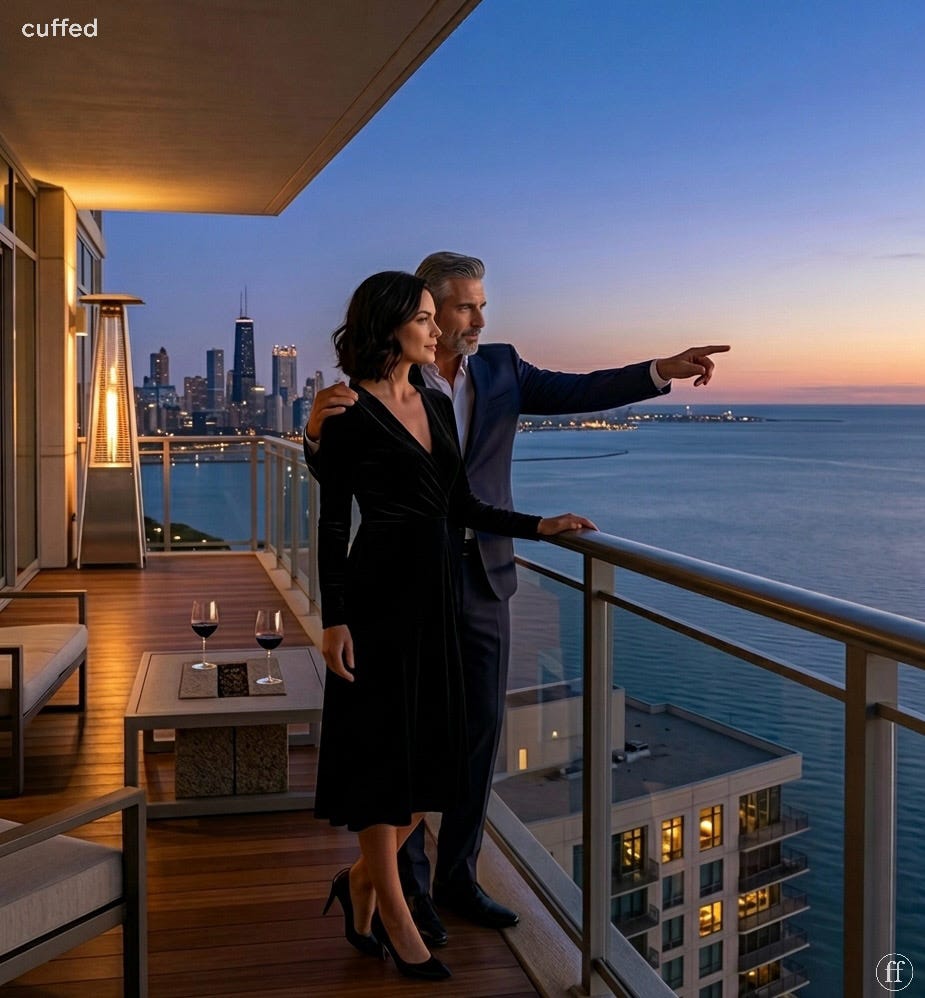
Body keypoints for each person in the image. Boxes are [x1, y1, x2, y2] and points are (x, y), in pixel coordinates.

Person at [305, 252, 730, 946]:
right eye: (463, 306)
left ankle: (457, 876)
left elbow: (580, 389)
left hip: (483, 576)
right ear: (424, 309)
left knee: (472, 736)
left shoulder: (499, 368)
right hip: (404, 582)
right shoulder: (371, 390)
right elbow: (339, 477)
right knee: (402, 741)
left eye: (481, 306)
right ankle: (400, 887)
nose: (477, 318)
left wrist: (661, 369)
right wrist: (313, 437)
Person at [313, 270, 596, 981]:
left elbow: (461, 505)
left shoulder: (434, 407)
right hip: (377, 596)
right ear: (389, 325)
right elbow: (329, 520)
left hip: (439, 594)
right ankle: (399, 923)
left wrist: (538, 524)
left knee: (431, 761)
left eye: (440, 319)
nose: (438, 332)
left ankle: (360, 882)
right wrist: (334, 619)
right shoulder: (347, 412)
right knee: (386, 760)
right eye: (425, 319)